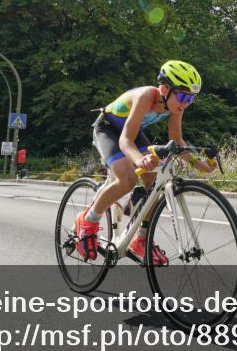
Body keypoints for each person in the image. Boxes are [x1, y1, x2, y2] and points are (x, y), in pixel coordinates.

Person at [76, 60, 213, 266]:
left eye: (191, 99)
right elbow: (125, 141)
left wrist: (199, 164)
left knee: (153, 182)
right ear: (165, 89)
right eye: (183, 96)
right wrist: (140, 160)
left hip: (132, 133)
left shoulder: (177, 106)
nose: (186, 103)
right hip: (108, 129)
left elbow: (176, 139)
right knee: (129, 178)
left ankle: (141, 238)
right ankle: (88, 220)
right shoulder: (146, 96)